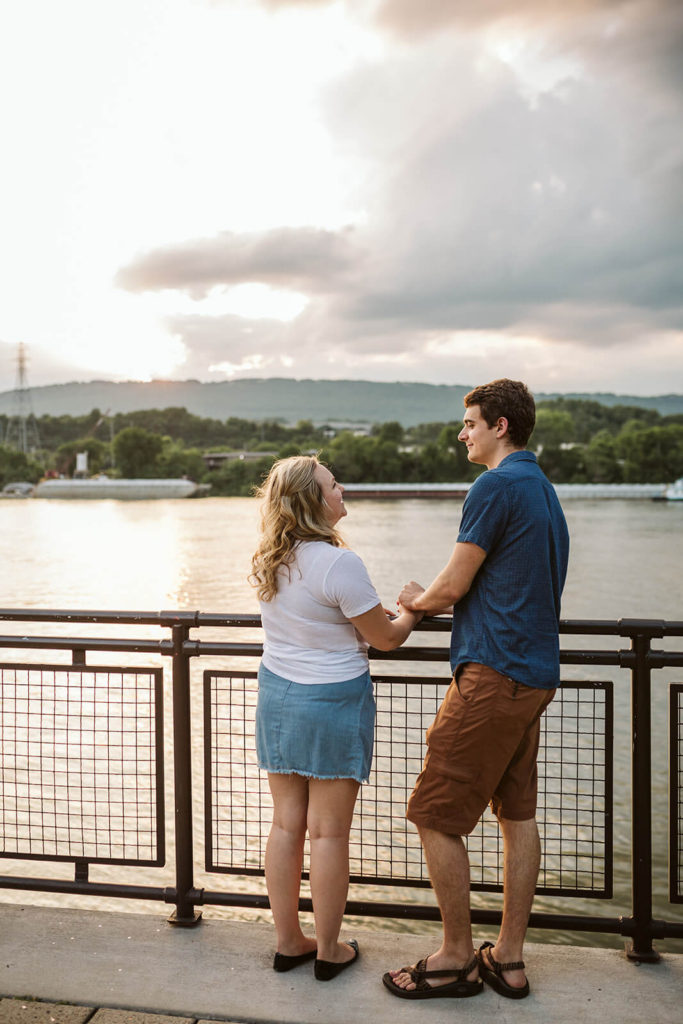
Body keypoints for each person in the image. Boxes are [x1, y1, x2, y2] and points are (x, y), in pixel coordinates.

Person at [383, 378, 569, 1002]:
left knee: (433, 814)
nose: (461, 433)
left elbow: (454, 582)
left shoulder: (494, 485)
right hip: (535, 675)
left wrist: (416, 602)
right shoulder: (543, 489)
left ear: (500, 427)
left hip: (493, 673)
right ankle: (508, 959)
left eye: (469, 424)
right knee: (518, 816)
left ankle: (457, 957)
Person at [250, 454, 422, 981]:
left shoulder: (269, 558)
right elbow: (387, 638)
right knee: (327, 834)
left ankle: (288, 943)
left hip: (278, 694)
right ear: (312, 501)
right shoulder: (338, 563)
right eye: (331, 484)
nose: (341, 487)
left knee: (285, 823)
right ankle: (328, 950)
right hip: (331, 700)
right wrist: (414, 606)